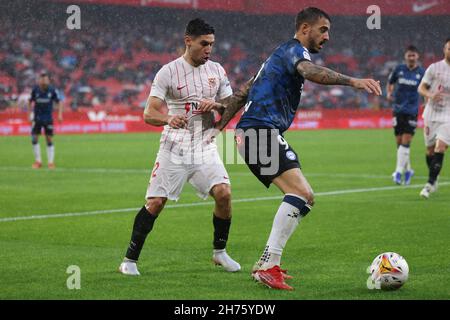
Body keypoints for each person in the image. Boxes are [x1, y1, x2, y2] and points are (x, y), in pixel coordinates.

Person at [208, 7, 381, 290]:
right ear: (304, 28)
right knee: (300, 193)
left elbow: (243, 92)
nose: (327, 36)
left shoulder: (275, 58)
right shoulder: (294, 51)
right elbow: (309, 71)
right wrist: (353, 81)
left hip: (254, 132)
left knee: (305, 197)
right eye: (322, 29)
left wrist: (219, 128)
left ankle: (267, 264)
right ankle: (267, 265)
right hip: (259, 132)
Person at [119, 18, 241, 275]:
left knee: (224, 194)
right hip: (174, 146)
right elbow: (148, 113)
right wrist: (168, 118)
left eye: (212, 44)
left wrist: (217, 106)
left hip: (204, 145)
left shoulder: (217, 70)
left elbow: (232, 107)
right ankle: (129, 260)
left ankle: (220, 253)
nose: (209, 49)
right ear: (188, 41)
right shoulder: (168, 72)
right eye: (204, 44)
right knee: (155, 203)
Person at [387, 45, 425, 185]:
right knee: (399, 143)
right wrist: (390, 92)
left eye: (413, 55)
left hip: (412, 111)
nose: (411, 57)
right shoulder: (399, 69)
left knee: (406, 141)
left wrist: (426, 102)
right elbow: (390, 82)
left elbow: (426, 87)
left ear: (417, 57)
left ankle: (397, 173)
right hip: (398, 109)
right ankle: (408, 169)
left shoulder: (422, 72)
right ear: (405, 56)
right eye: (409, 55)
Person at [418, 38, 450, 199]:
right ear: (444, 49)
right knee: (430, 150)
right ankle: (434, 176)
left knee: (441, 147)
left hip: (448, 115)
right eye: (449, 48)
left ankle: (429, 184)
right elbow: (421, 88)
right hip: (431, 114)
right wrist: (431, 95)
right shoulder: (434, 67)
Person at [28, 71, 63, 169]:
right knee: (34, 138)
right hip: (37, 118)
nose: (43, 81)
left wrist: (60, 114)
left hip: (48, 118)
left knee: (49, 139)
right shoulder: (35, 90)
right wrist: (29, 115)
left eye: (45, 79)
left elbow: (59, 101)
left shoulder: (52, 90)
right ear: (39, 80)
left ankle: (50, 162)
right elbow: (29, 101)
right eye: (42, 79)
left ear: (48, 80)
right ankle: (38, 161)